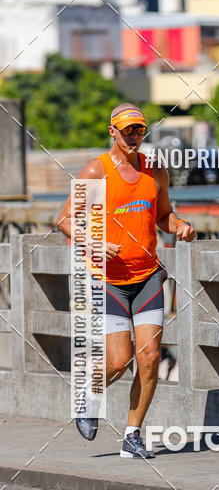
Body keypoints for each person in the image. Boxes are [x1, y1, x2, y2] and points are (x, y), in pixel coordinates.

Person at [56, 103, 195, 458]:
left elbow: (163, 215)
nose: (134, 136)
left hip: (148, 277)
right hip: (108, 281)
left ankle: (133, 436)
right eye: (127, 130)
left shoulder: (155, 170)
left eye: (139, 130)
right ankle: (88, 398)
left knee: (149, 357)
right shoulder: (97, 171)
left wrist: (178, 225)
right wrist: (93, 241)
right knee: (118, 361)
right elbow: (65, 220)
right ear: (112, 131)